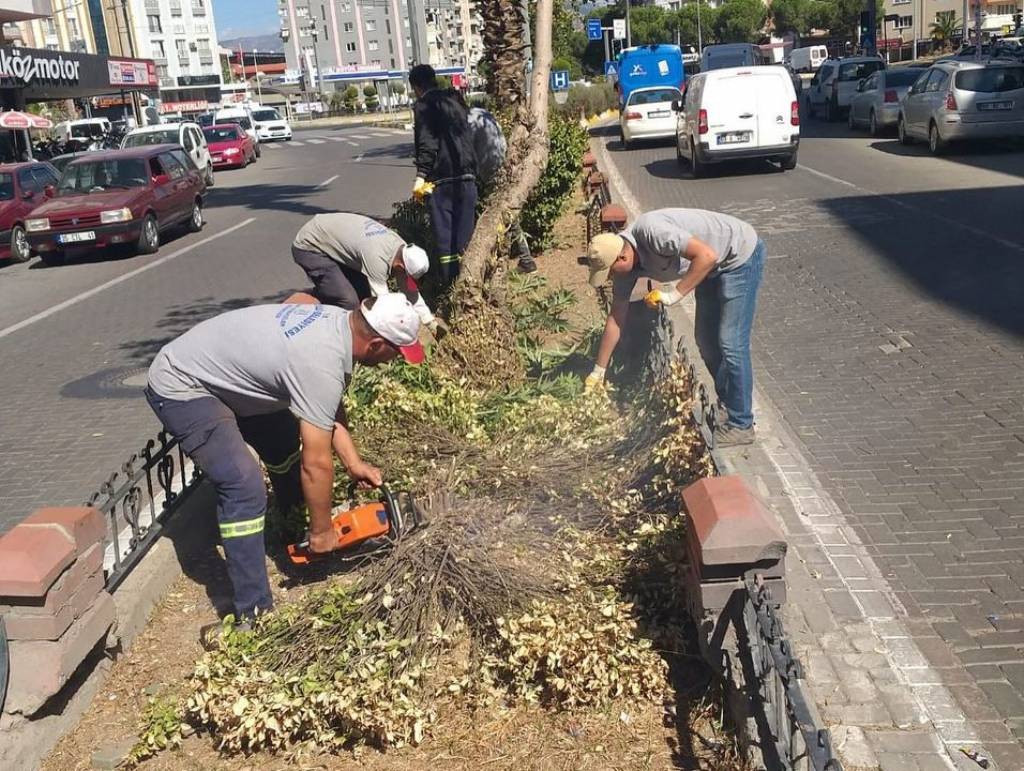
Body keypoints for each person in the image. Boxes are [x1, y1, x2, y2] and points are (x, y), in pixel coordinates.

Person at [146, 294, 424, 621]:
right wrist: (323, 532)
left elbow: (326, 404)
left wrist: (353, 462)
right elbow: (316, 463)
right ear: (376, 344)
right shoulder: (320, 360)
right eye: (396, 352)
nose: (394, 361)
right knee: (243, 486)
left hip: (232, 380)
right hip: (184, 384)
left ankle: (293, 530)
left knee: (283, 446)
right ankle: (254, 611)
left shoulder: (338, 324)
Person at [585, 208, 765, 447]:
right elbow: (616, 317)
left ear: (622, 258)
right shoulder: (625, 270)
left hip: (737, 255)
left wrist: (673, 295)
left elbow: (707, 256)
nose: (609, 278)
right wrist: (598, 371)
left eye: (608, 272)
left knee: (730, 342)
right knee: (706, 342)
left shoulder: (653, 233)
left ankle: (741, 424)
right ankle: (730, 403)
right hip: (708, 270)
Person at [291, 212, 435, 327]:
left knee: (363, 294)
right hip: (310, 246)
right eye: (406, 276)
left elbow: (410, 292)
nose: (404, 281)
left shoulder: (402, 249)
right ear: (401, 266)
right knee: (349, 301)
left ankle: (328, 292)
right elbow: (383, 305)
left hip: (331, 241)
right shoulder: (377, 258)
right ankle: (331, 329)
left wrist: (429, 321)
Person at [409, 64, 477, 285]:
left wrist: (421, 176)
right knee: (466, 239)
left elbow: (427, 143)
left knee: (446, 242)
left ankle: (451, 289)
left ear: (417, 87)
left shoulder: (424, 105)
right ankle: (470, 284)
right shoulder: (456, 101)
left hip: (443, 182)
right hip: (468, 179)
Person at [464, 103, 536, 274]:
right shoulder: (482, 113)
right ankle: (525, 258)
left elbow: (467, 153)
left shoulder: (467, 121)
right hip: (504, 165)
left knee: (502, 217)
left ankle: (520, 260)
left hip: (490, 171)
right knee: (509, 215)